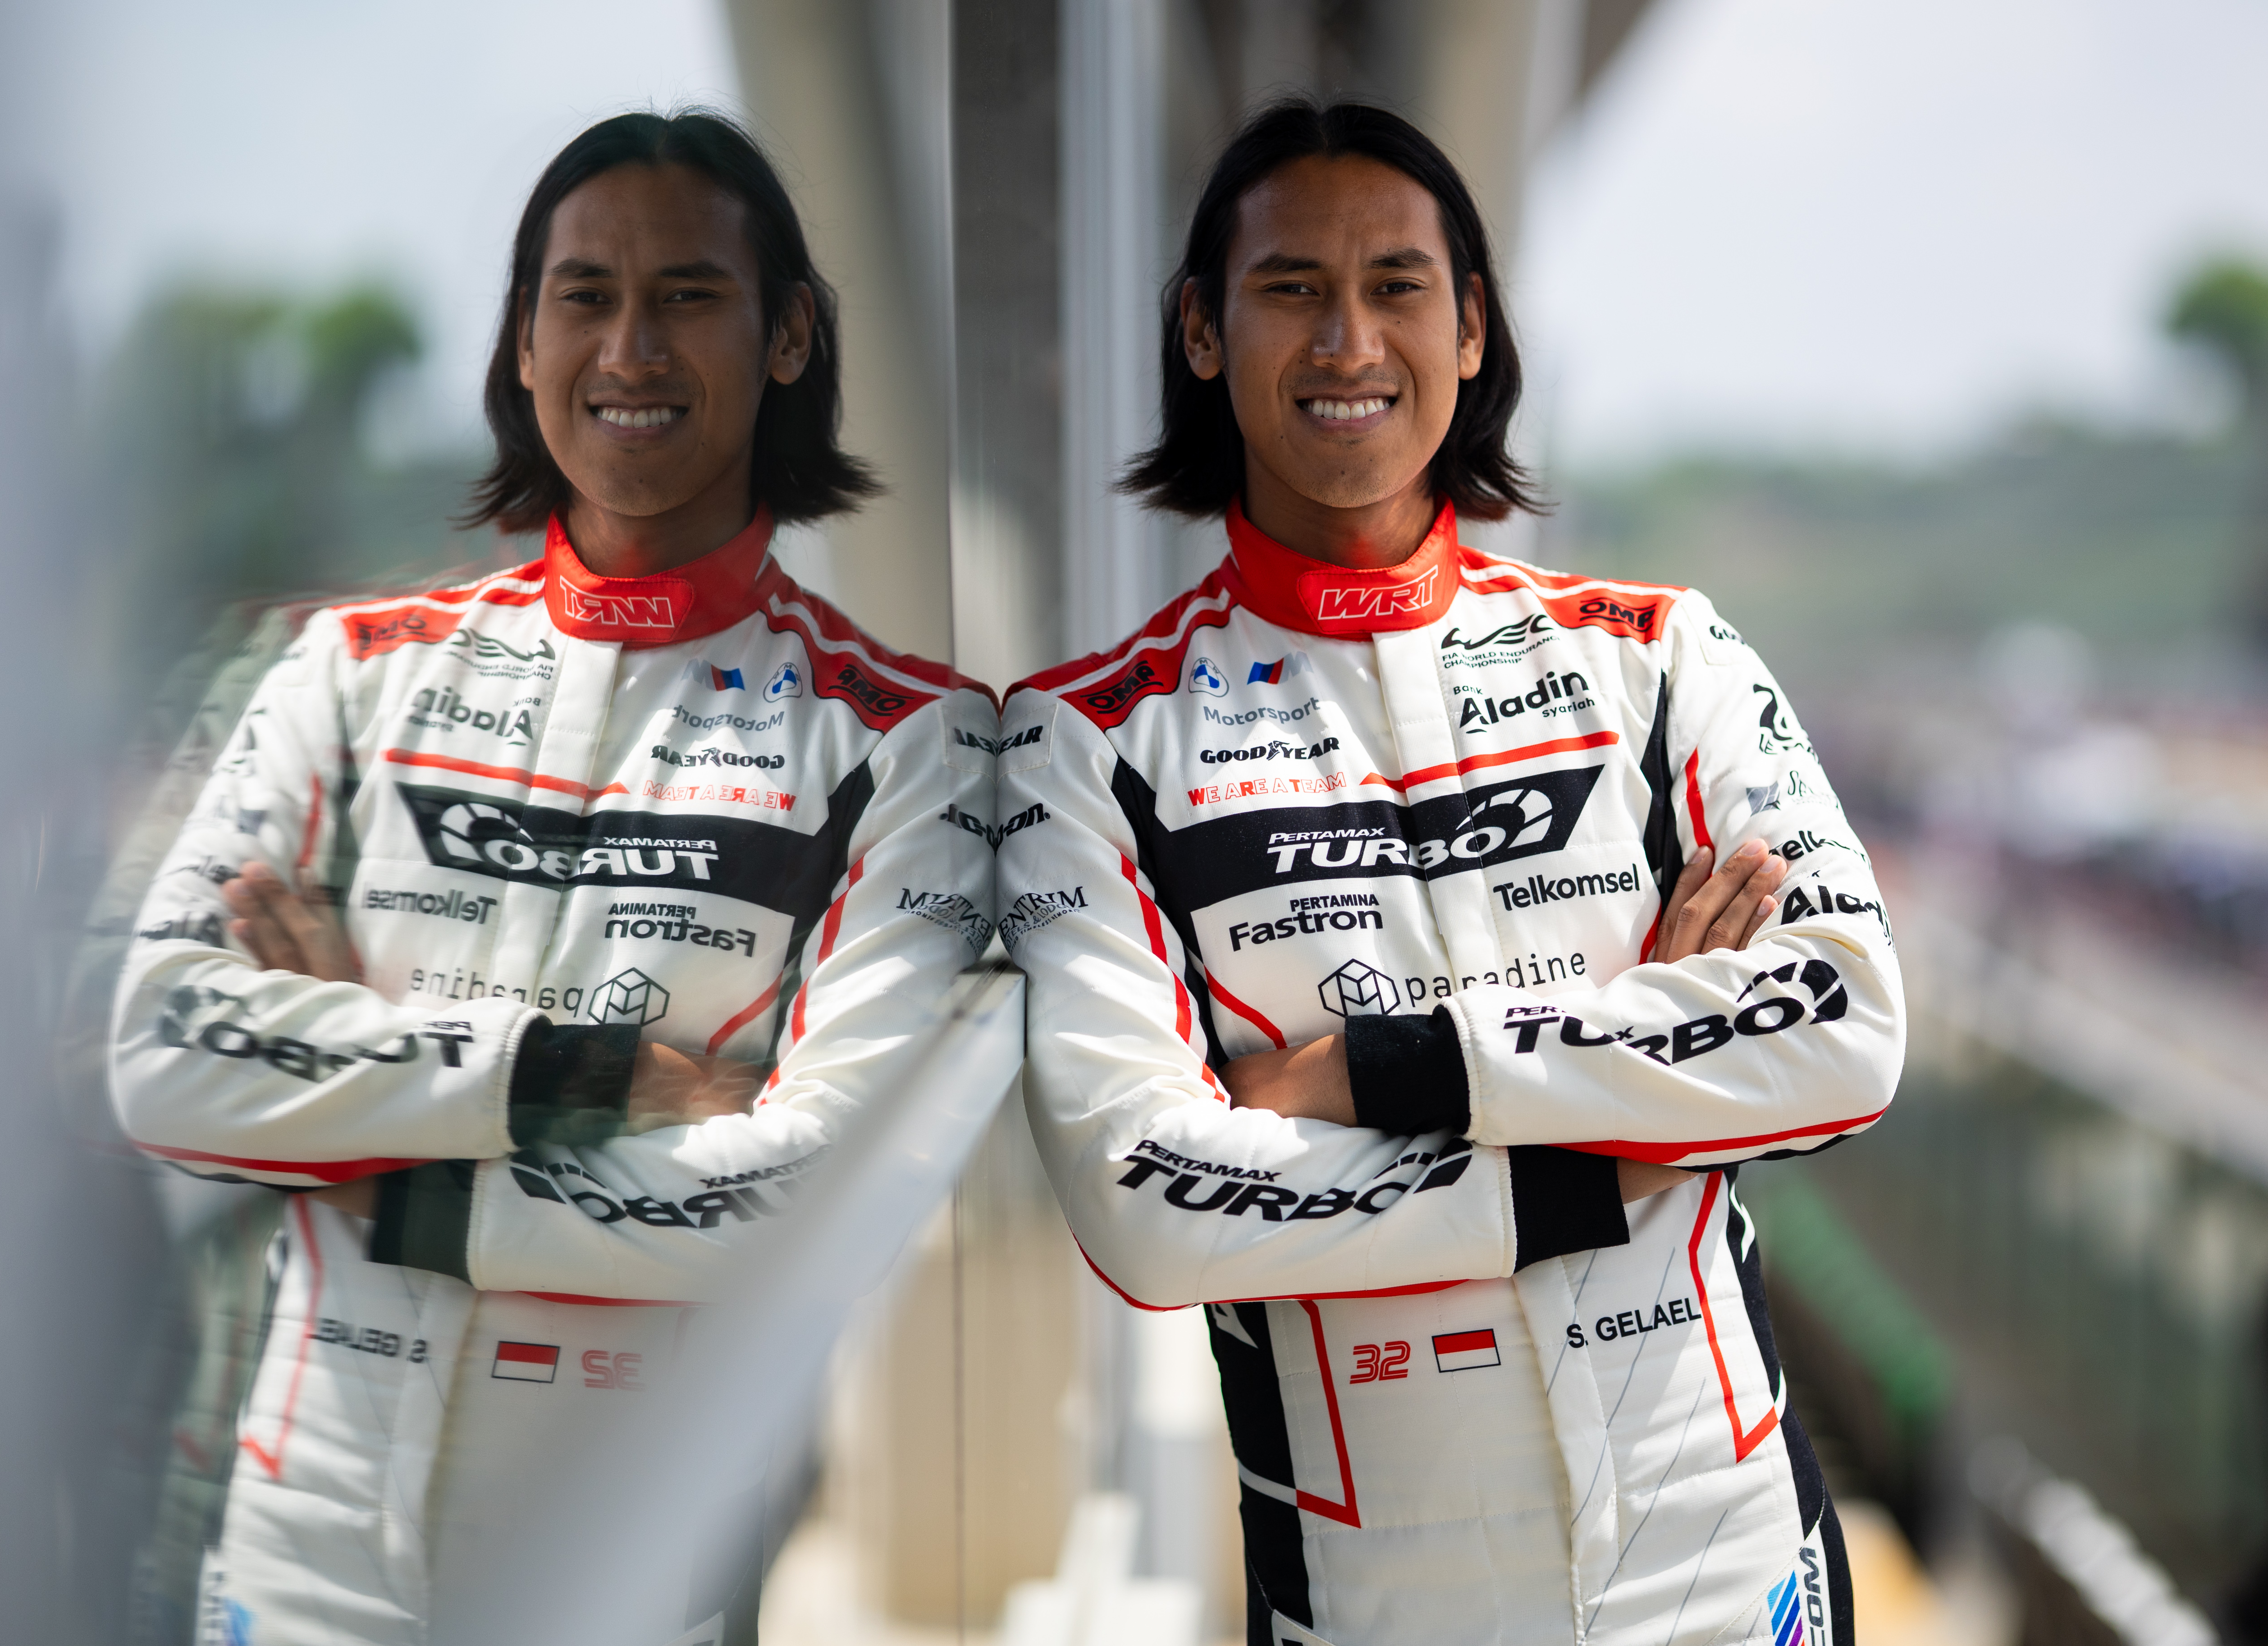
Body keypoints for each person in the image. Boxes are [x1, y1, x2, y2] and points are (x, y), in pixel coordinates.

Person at [997, 100, 1899, 1646]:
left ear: (1470, 327)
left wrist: (1371, 1072)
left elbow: (1846, 1027)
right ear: (1202, 331)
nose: (1346, 339)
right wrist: (1621, 1124)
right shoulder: (1082, 740)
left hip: (1734, 1564)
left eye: (1396, 285)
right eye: (1290, 287)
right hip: (1376, 1601)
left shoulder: (1655, 658)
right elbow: (1146, 1194)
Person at [111, 111, 999, 1646]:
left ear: (788, 334)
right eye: (584, 296)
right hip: (298, 1554)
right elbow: (161, 1053)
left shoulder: (909, 740)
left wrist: (356, 1125)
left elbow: (808, 1203)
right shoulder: (354, 674)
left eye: (688, 296)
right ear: (525, 343)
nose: (629, 348)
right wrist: (589, 1078)